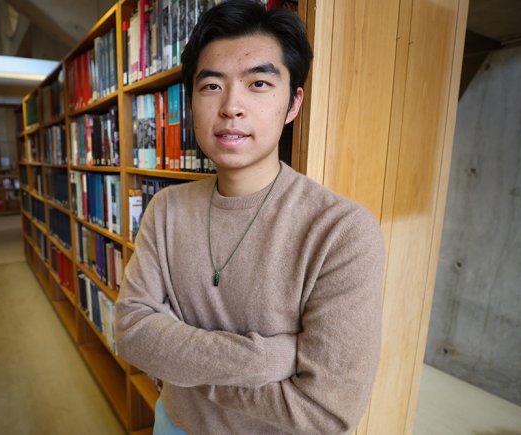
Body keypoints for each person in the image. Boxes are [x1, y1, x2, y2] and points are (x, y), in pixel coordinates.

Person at [114, 1, 385, 434]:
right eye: (211, 86)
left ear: (293, 103)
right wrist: (269, 359)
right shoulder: (165, 210)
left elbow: (326, 415)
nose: (231, 107)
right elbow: (131, 332)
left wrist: (184, 366)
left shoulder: (342, 231)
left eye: (258, 83)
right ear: (192, 102)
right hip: (173, 423)